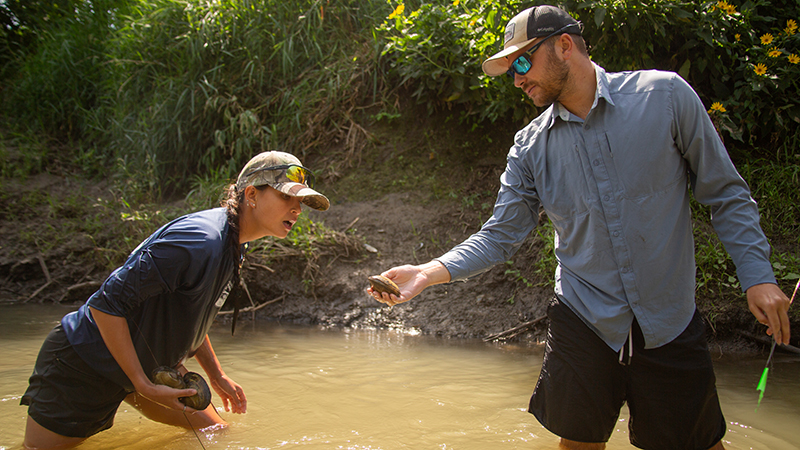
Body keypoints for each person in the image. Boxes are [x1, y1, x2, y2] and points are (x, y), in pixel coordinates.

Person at [368, 5, 792, 450]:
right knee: (578, 445)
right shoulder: (529, 148)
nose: (516, 78)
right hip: (584, 318)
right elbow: (500, 234)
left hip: (668, 317)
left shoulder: (665, 97)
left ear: (564, 46)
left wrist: (758, 276)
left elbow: (725, 193)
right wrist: (428, 272)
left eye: (522, 62)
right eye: (511, 68)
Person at [21, 151, 330, 449]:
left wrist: (216, 374)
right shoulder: (198, 242)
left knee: (215, 430)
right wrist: (141, 384)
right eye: (286, 197)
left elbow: (192, 314)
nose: (297, 209)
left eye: (300, 201)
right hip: (84, 364)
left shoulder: (235, 244)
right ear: (252, 194)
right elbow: (106, 304)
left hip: (146, 366)